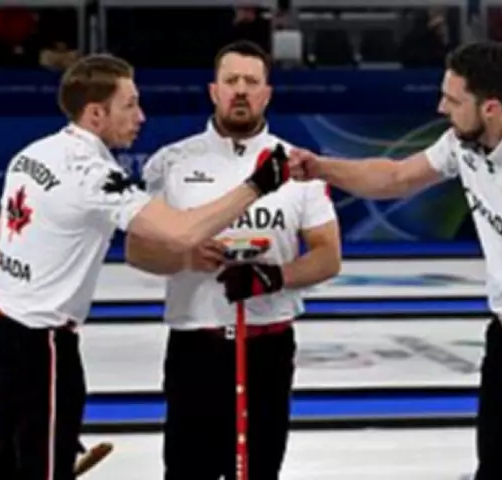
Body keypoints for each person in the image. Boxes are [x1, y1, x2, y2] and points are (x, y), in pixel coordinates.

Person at [288, 41, 502, 480]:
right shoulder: (462, 144)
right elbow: (397, 177)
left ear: (491, 108)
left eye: (453, 100)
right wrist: (321, 168)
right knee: (495, 469)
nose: (441, 107)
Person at [0, 53, 291, 480]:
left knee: (10, 464)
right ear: (95, 113)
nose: (141, 116)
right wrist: (257, 185)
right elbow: (182, 231)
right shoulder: (92, 175)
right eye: (129, 105)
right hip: (43, 344)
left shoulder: (31, 155)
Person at [125, 40, 341, 480]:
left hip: (268, 344)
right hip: (196, 344)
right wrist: (185, 254)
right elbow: (138, 249)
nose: (240, 91)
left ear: (267, 93)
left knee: (260, 470)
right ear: (213, 91)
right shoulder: (173, 160)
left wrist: (274, 276)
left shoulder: (297, 165)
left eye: (251, 82)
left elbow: (327, 256)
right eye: (231, 81)